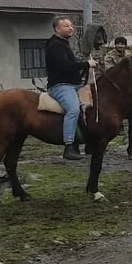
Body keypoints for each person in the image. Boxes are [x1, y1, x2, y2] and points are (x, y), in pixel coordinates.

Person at [46, 16, 94, 161]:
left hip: (72, 85)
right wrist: (86, 64)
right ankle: (68, 146)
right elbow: (64, 66)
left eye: (71, 25)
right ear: (57, 29)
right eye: (66, 26)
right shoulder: (55, 46)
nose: (71, 28)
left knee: (88, 108)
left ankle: (84, 142)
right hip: (61, 86)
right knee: (73, 110)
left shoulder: (63, 44)